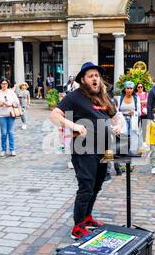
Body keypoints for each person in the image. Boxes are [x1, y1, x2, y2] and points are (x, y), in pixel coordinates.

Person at [50, 62, 119, 240]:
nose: (95, 78)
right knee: (86, 187)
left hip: (103, 148)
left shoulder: (103, 96)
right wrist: (73, 125)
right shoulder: (75, 96)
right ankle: (78, 226)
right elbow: (55, 115)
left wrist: (117, 126)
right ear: (83, 79)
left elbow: (113, 116)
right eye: (91, 76)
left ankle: (87, 217)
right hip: (84, 148)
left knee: (97, 185)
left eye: (97, 75)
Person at [0, 79, 20, 157]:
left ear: (8, 84)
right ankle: (3, 150)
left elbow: (17, 102)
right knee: (3, 133)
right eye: (2, 84)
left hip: (11, 114)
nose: (4, 85)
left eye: (6, 83)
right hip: (1, 115)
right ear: (0, 84)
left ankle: (12, 149)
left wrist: (9, 104)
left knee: (11, 132)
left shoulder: (11, 92)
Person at [118, 81, 141, 157]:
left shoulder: (136, 98)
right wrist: (121, 114)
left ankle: (133, 151)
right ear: (124, 89)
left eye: (131, 88)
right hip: (122, 120)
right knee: (123, 135)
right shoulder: (120, 98)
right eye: (127, 88)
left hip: (132, 119)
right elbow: (116, 111)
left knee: (133, 135)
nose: (129, 90)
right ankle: (123, 152)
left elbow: (139, 112)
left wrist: (134, 112)